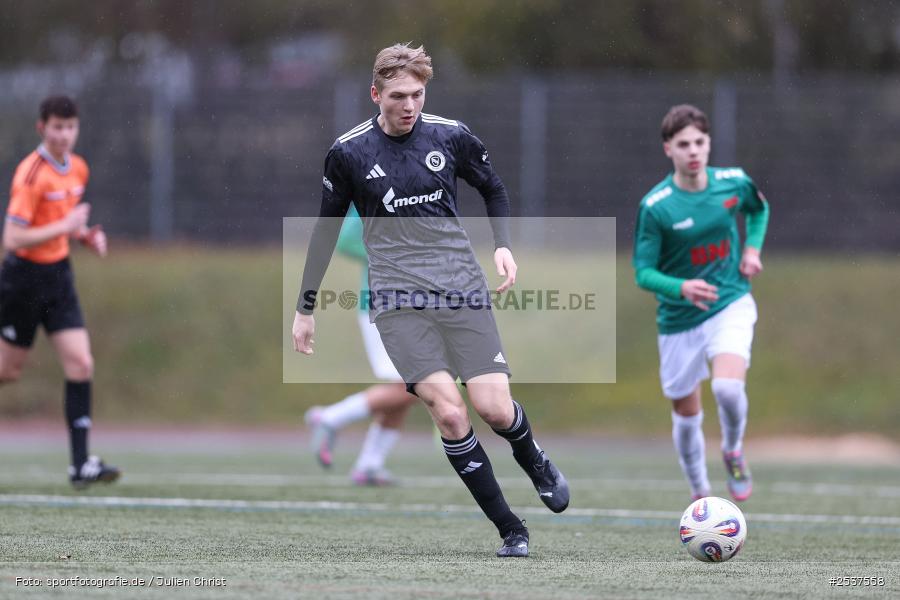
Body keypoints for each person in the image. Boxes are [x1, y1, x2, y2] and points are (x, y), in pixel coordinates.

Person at [291, 43, 569, 557]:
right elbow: (325, 233)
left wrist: (503, 246)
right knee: (449, 413)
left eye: (417, 94)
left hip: (461, 289)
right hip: (396, 303)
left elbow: (495, 188)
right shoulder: (349, 152)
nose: (408, 105)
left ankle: (534, 459)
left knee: (494, 409)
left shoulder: (451, 135)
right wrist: (305, 309)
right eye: (397, 95)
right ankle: (511, 528)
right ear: (375, 94)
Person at [633, 104, 769, 502]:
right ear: (668, 149)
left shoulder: (733, 182)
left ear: (709, 144)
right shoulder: (656, 207)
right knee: (687, 413)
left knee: (728, 388)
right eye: (683, 144)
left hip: (730, 302)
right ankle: (699, 491)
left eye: (699, 142)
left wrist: (753, 250)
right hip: (678, 320)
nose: (693, 151)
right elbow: (643, 272)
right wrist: (681, 288)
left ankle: (732, 449)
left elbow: (758, 210)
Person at [0, 95, 120, 489]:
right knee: (8, 371)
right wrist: (67, 225)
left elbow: (63, 225)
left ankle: (80, 465)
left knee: (81, 364)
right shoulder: (31, 174)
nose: (65, 135)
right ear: (42, 128)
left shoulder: (78, 169)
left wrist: (85, 236)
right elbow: (14, 237)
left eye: (70, 127)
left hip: (58, 279)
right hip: (23, 280)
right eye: (57, 127)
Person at [304, 204, 419, 486]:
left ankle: (369, 465)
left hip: (410, 304)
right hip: (382, 304)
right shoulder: (369, 181)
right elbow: (346, 240)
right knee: (414, 384)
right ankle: (330, 418)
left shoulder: (419, 181)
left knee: (408, 386)